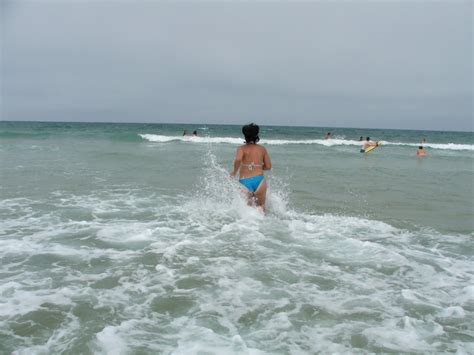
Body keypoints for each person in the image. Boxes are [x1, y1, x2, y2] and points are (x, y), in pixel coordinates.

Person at [230, 123, 272, 211]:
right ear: (256, 135)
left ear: (245, 135)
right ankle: (263, 223)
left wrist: (234, 172)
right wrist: (258, 168)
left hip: (245, 181)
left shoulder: (241, 148)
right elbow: (268, 166)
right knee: (261, 206)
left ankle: (247, 225)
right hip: (259, 181)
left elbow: (238, 159)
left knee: (247, 208)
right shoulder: (262, 149)